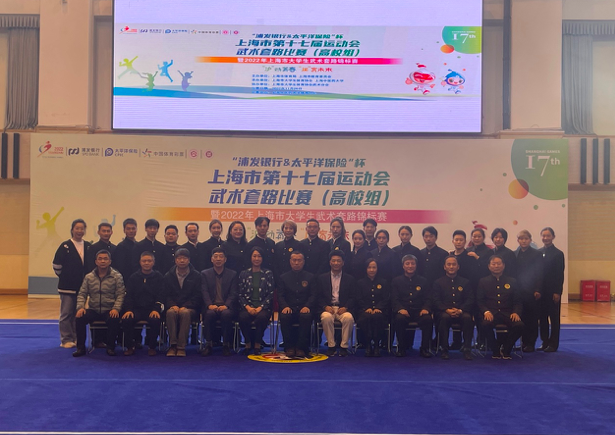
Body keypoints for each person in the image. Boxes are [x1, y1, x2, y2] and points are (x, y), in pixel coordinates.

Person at [72, 250, 125, 357]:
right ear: (96, 261)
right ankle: (80, 348)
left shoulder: (117, 276)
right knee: (80, 318)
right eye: (100, 259)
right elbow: (82, 294)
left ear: (110, 261)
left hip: (109, 309)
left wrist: (116, 309)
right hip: (93, 309)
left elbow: (120, 294)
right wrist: (80, 308)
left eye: (105, 259)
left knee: (114, 318)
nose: (102, 261)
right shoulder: (89, 277)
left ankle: (110, 347)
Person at [53, 219, 91, 348]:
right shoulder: (65, 246)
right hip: (67, 287)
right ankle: (65, 339)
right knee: (66, 314)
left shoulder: (88, 246)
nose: (79, 231)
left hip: (82, 288)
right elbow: (57, 265)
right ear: (72, 230)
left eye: (82, 228)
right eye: (77, 228)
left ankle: (76, 338)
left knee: (78, 314)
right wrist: (66, 277)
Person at [477, 255, 524, 360]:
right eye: (493, 264)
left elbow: (517, 301)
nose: (496, 266)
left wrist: (516, 312)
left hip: (507, 313)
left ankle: (507, 349)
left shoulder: (512, 281)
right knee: (484, 324)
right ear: (489, 266)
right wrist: (485, 311)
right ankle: (495, 349)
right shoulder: (483, 281)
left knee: (519, 325)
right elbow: (480, 301)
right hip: (491, 313)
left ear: (503, 266)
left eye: (499, 264)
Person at [121, 251, 164, 356]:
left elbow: (161, 295)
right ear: (140, 262)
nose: (146, 263)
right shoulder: (133, 277)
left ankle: (152, 347)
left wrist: (156, 309)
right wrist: (129, 310)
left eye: (149, 261)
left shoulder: (159, 277)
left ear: (153, 262)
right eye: (144, 261)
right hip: (136, 309)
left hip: (152, 309)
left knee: (155, 319)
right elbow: (129, 296)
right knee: (127, 319)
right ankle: (130, 346)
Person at [432, 256, 474, 360]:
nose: (451, 267)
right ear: (444, 267)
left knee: (467, 318)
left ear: (458, 267)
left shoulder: (465, 282)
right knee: (444, 318)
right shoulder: (438, 282)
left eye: (454, 264)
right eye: (449, 264)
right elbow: (436, 300)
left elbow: (470, 299)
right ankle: (444, 349)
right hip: (444, 311)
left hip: (461, 311)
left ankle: (467, 349)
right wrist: (447, 310)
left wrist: (460, 310)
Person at [163, 248, 202, 357]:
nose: (182, 260)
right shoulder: (168, 275)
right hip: (173, 307)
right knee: (170, 313)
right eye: (179, 258)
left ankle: (181, 346)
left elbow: (198, 295)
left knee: (184, 313)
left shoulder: (196, 276)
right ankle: (173, 345)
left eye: (184, 258)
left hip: (190, 308)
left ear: (189, 260)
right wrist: (172, 305)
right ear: (175, 260)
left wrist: (186, 306)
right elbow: (165, 295)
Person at [277, 251, 318, 357]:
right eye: (294, 260)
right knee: (284, 316)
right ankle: (289, 347)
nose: (296, 263)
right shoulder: (283, 277)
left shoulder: (310, 277)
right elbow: (280, 295)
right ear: (290, 261)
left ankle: (301, 347)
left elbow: (313, 295)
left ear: (303, 262)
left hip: (304, 307)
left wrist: (307, 306)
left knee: (306, 316)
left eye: (299, 260)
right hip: (289, 307)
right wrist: (285, 306)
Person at [391, 254, 432, 358]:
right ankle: (401, 348)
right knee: (399, 319)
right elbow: (394, 299)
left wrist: (426, 308)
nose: (410, 266)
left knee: (427, 319)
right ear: (403, 266)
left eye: (412, 263)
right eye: (407, 263)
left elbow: (428, 298)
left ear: (416, 265)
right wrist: (400, 309)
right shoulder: (396, 281)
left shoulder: (423, 281)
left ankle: (424, 348)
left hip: (419, 311)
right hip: (403, 311)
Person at [200, 247, 238, 356]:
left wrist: (226, 305)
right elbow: (204, 291)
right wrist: (209, 305)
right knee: (209, 314)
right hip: (211, 306)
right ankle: (208, 344)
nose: (218, 259)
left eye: (221, 257)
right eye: (215, 256)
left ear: (225, 259)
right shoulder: (205, 274)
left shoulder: (232, 274)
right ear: (211, 259)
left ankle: (226, 344)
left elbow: (233, 293)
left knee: (226, 314)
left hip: (226, 307)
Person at [318, 250, 356, 357]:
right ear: (329, 262)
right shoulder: (322, 278)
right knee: (326, 318)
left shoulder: (350, 279)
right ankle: (331, 346)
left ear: (343, 263)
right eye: (333, 261)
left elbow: (353, 297)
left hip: (342, 308)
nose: (336, 263)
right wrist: (325, 306)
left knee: (348, 318)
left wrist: (346, 307)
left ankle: (344, 346)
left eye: (338, 261)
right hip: (328, 308)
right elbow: (318, 296)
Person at [237, 246, 274, 355]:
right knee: (243, 317)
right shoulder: (244, 274)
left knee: (261, 318)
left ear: (262, 258)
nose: (257, 258)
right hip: (247, 306)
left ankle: (257, 343)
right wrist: (248, 307)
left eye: (259, 256)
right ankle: (248, 343)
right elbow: (240, 294)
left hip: (263, 307)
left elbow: (271, 293)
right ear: (250, 258)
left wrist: (260, 307)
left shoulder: (268, 273)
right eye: (254, 256)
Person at [515, 229, 544, 352]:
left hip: (532, 291)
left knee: (531, 318)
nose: (523, 241)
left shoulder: (536, 254)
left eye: (526, 239)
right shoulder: (515, 254)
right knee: (521, 317)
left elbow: (540, 273)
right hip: (518, 290)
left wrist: (537, 289)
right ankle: (523, 342)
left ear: (530, 240)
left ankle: (531, 343)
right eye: (521, 239)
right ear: (518, 240)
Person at [538, 227, 565, 352]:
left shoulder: (558, 254)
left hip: (552, 291)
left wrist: (557, 292)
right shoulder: (538, 252)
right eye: (543, 236)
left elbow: (559, 274)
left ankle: (553, 344)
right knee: (542, 318)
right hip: (541, 292)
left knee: (554, 318)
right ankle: (545, 342)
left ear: (553, 237)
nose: (545, 238)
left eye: (548, 235)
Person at [356, 259, 389, 357]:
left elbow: (386, 298)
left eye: (374, 267)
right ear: (365, 269)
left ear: (377, 268)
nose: (371, 270)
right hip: (364, 311)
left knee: (377, 317)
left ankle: (377, 345)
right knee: (366, 318)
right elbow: (358, 298)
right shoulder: (360, 282)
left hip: (380, 311)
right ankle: (368, 345)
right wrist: (366, 308)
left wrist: (378, 307)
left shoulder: (383, 282)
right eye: (369, 267)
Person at [273, 220, 302, 284]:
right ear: (282, 230)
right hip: (279, 277)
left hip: (293, 278)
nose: (288, 230)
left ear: (294, 230)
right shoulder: (278, 245)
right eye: (286, 228)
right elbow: (275, 263)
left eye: (291, 228)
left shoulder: (299, 245)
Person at [420, 226, 448, 290]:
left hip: (438, 286)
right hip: (423, 286)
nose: (428, 239)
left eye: (431, 236)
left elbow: (443, 273)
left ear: (436, 237)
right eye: (426, 236)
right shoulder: (420, 253)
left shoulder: (443, 254)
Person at [113, 218, 138, 283]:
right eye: (128, 229)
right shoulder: (121, 246)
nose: (131, 231)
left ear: (136, 229)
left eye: (133, 228)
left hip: (138, 279)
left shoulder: (139, 245)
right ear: (124, 230)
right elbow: (120, 267)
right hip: (125, 280)